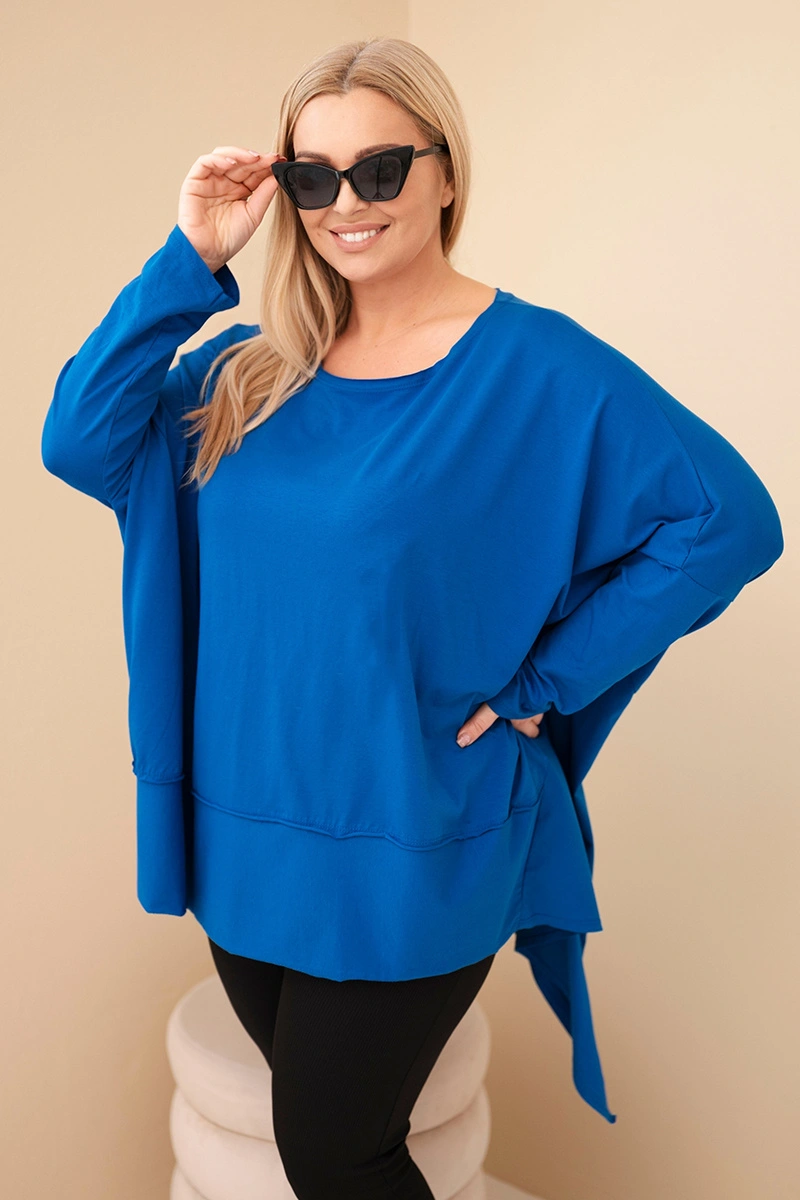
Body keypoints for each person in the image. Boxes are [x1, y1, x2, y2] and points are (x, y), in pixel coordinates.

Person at [41, 35, 783, 1198]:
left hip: (412, 828)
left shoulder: (533, 368)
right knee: (324, 1134)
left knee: (335, 1153)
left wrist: (546, 681)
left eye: (380, 169)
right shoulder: (245, 372)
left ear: (443, 174)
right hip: (244, 833)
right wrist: (191, 255)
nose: (346, 203)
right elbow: (77, 438)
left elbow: (726, 521)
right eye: (312, 177)